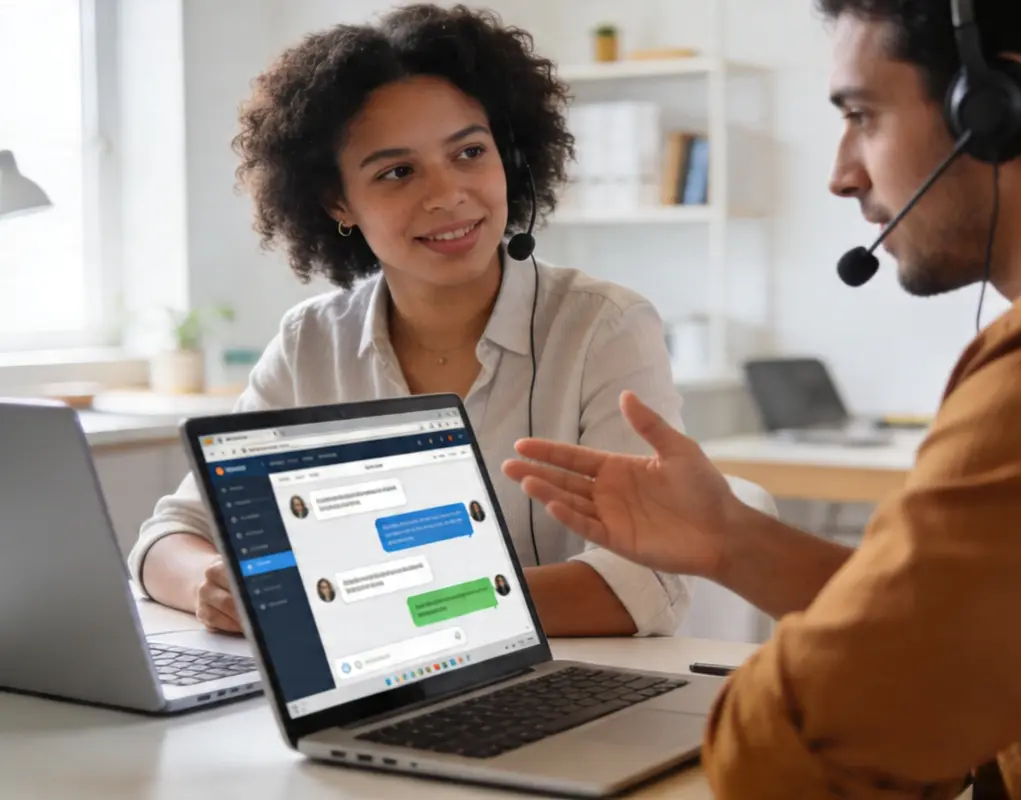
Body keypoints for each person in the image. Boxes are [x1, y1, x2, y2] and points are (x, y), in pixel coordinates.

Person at [503, 0, 1021, 797]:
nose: (841, 174)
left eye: (862, 116)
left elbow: (807, 750)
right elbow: (966, 637)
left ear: (999, 107)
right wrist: (731, 538)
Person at [127, 4, 689, 642]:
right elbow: (171, 535)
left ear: (509, 158)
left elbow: (646, 582)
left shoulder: (604, 328)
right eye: (397, 172)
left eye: (469, 153)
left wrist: (386, 606)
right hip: (370, 686)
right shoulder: (311, 343)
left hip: (573, 687)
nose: (447, 194)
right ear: (338, 201)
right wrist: (215, 584)